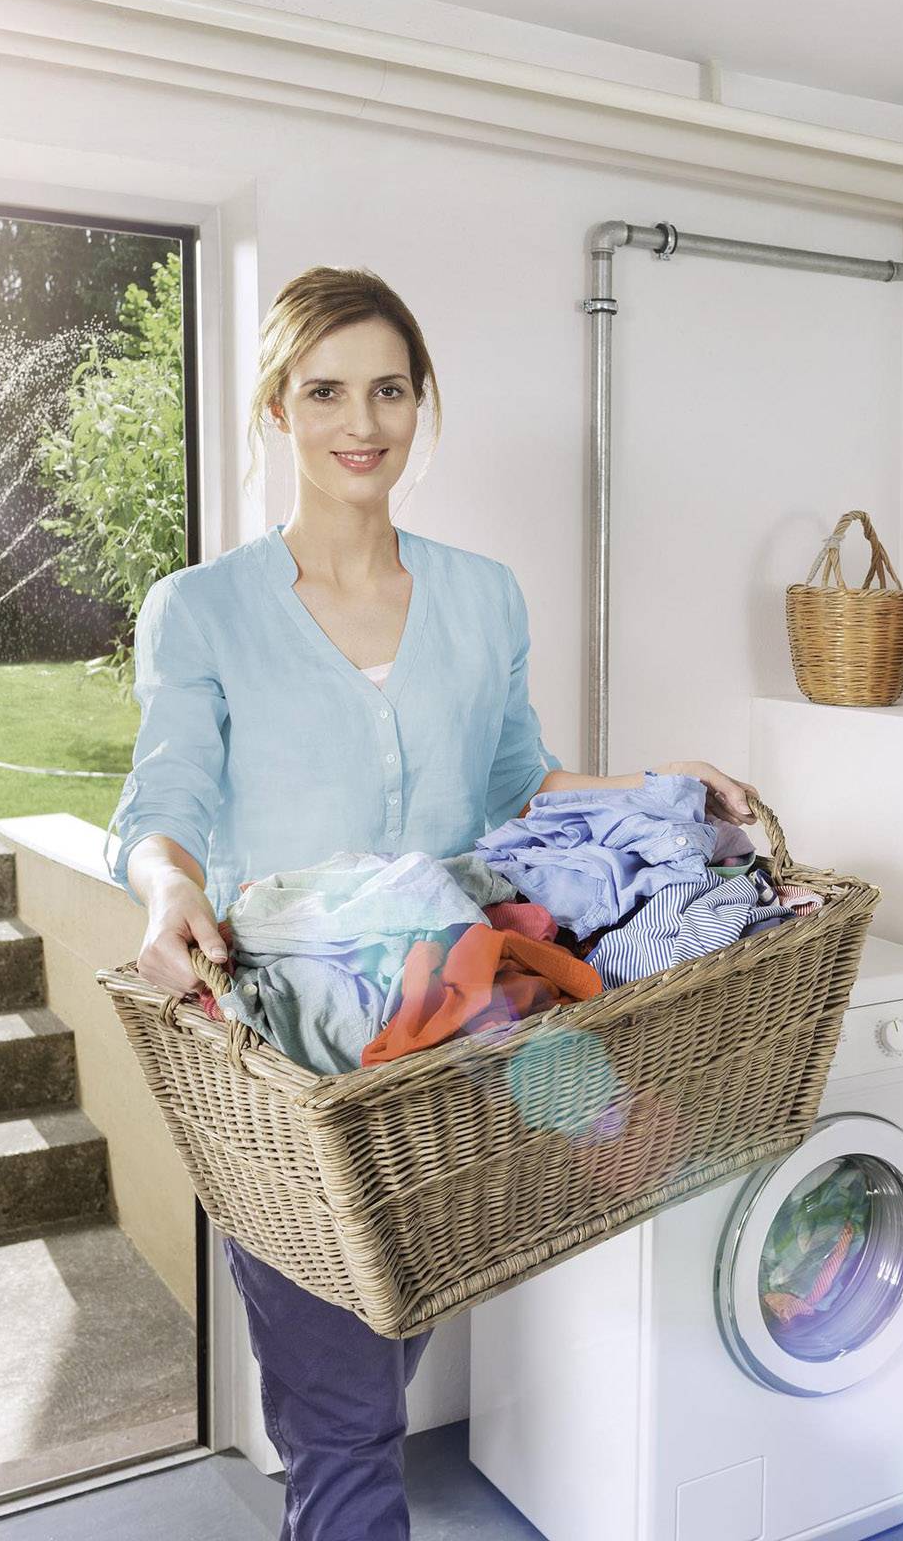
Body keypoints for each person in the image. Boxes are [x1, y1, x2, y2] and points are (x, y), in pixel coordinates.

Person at [108, 265, 756, 1539]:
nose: (364, 421)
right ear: (277, 410)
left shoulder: (482, 594)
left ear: (421, 403)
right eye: (328, 390)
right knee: (347, 1417)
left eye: (391, 389)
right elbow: (160, 801)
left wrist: (656, 785)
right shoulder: (203, 611)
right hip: (298, 1050)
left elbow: (521, 781)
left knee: (481, 1268)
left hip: (476, 1036)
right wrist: (168, 884)